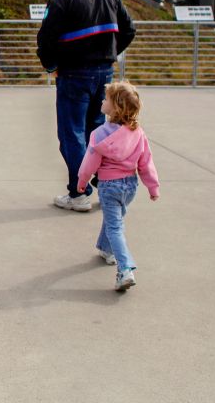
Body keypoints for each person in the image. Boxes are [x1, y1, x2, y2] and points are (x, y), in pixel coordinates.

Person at [37, 0, 135, 212]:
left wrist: (52, 66)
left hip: (73, 75)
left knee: (72, 135)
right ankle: (107, 188)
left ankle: (79, 193)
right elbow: (129, 29)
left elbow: (45, 39)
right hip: (104, 75)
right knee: (98, 134)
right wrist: (110, 53)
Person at [76, 81, 159, 291]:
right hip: (130, 186)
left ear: (115, 107)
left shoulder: (99, 134)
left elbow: (89, 163)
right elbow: (146, 162)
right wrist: (153, 187)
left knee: (115, 227)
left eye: (106, 99)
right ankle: (106, 249)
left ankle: (125, 269)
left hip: (109, 186)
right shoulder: (137, 133)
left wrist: (82, 181)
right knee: (115, 218)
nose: (102, 101)